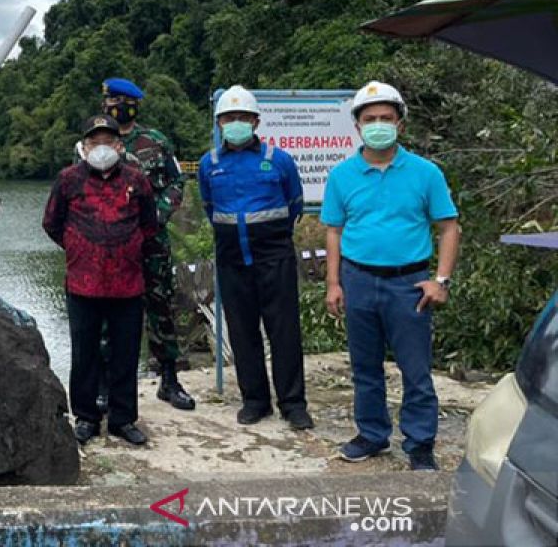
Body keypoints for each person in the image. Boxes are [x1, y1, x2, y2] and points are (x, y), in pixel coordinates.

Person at [322, 81, 460, 471]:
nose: (378, 124)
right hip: (359, 279)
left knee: (415, 369)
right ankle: (372, 434)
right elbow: (334, 230)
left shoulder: (425, 173)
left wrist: (442, 280)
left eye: (386, 118)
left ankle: (419, 443)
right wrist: (334, 283)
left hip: (408, 284)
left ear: (400, 124)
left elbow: (449, 227)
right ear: (358, 127)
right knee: (365, 367)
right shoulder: (342, 176)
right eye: (370, 119)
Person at [197, 85, 313, 430]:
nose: (235, 123)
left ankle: (293, 404)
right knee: (242, 332)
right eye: (228, 118)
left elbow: (295, 204)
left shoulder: (278, 160)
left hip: (274, 257)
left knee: (284, 332)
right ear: (219, 123)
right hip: (232, 260)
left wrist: (268, 237)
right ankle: (255, 400)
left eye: (242, 117)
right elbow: (209, 208)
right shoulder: (210, 164)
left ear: (256, 121)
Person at [44, 114, 158, 446]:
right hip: (83, 284)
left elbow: (150, 225)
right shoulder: (68, 180)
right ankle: (85, 417)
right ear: (84, 146)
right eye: (95, 141)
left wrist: (128, 248)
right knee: (84, 354)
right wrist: (81, 248)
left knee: (125, 353)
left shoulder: (137, 180)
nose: (102, 147)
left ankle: (123, 419)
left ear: (119, 146)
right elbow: (52, 223)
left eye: (108, 141)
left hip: (127, 283)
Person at [102, 77, 195, 410]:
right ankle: (105, 385)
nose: (111, 106)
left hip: (152, 241)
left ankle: (169, 379)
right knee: (107, 314)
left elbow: (176, 181)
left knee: (161, 307)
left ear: (132, 104)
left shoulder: (155, 141)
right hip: (112, 246)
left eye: (116, 101)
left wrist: (160, 212)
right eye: (108, 101)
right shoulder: (96, 143)